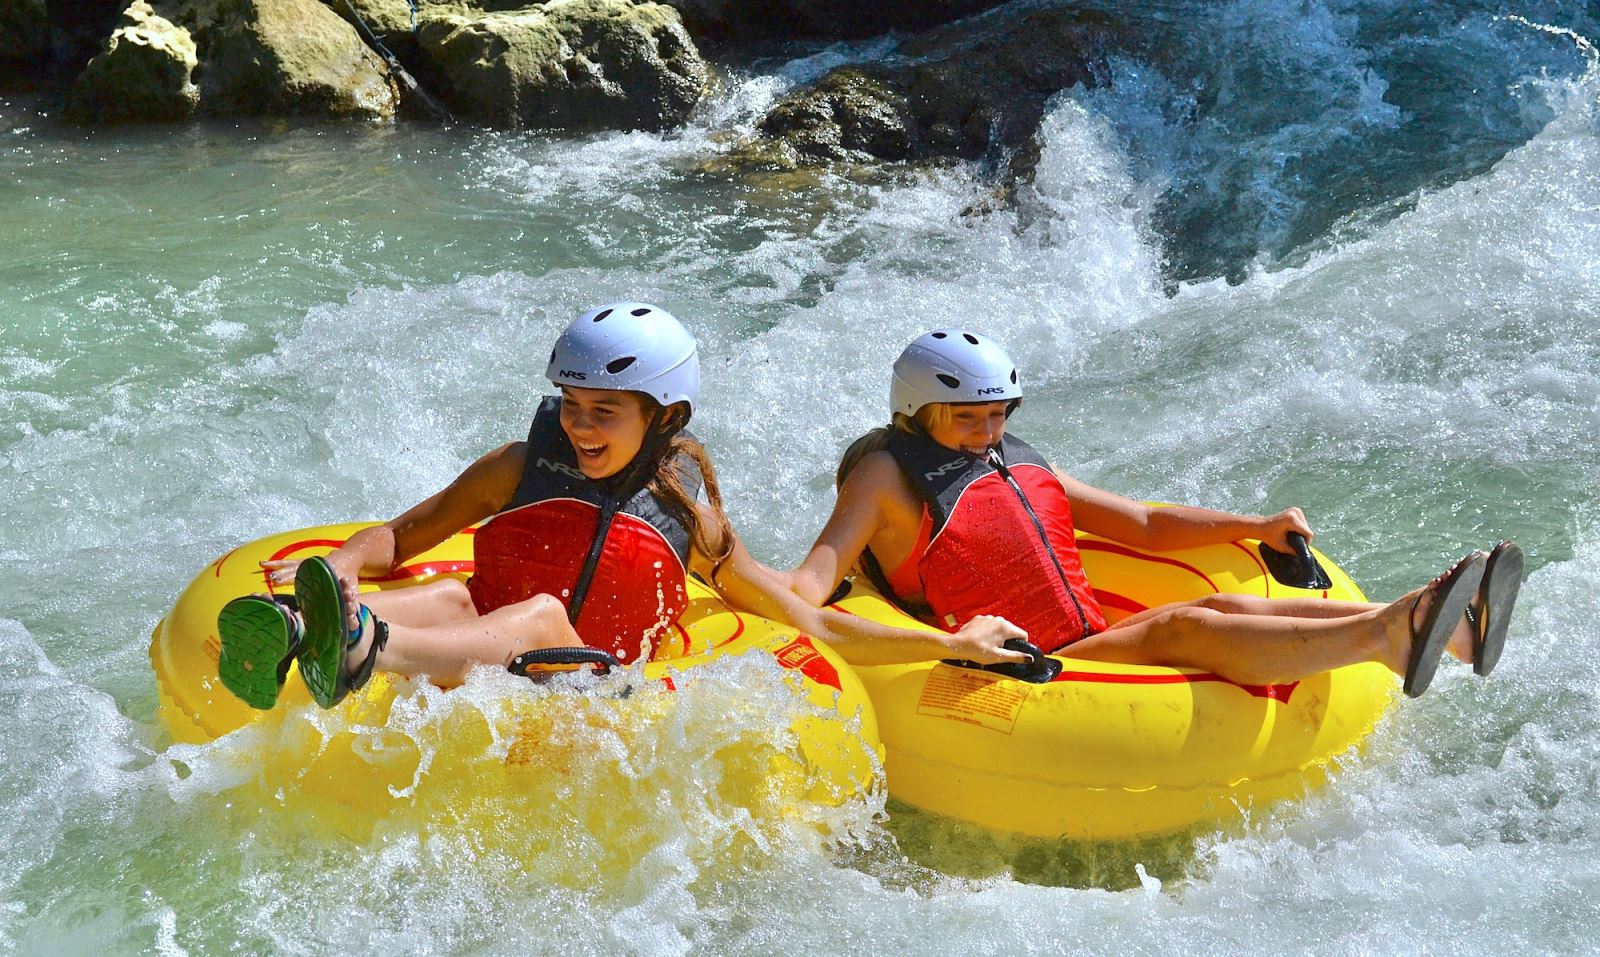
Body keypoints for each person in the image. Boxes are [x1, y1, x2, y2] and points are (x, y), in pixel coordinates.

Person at [214, 305, 1023, 711]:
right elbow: (408, 532)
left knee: (532, 611)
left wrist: (948, 642)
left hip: (597, 694)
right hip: (497, 654)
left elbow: (806, 619)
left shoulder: (689, 520)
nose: (579, 425)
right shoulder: (516, 467)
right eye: (572, 404)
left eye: (606, 411)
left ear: (663, 416)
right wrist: (347, 562)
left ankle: (364, 647)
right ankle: (303, 627)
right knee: (455, 593)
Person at [781, 329, 1524, 696]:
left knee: (1223, 599)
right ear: (914, 412)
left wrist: (1253, 526)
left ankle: (1439, 622)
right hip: (1018, 670)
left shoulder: (1004, 459)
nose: (986, 434)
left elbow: (1138, 524)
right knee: (1182, 626)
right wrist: (743, 592)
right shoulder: (885, 476)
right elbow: (814, 582)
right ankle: (1392, 636)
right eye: (965, 420)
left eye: (997, 415)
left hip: (1080, 638)